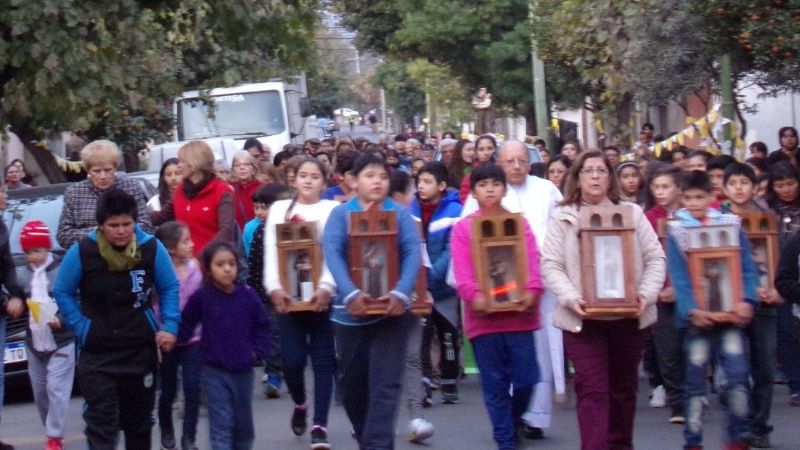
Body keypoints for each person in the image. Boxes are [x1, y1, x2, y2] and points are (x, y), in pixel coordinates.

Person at [541, 150, 665, 450]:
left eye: (601, 170)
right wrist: (571, 298)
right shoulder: (563, 216)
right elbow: (550, 264)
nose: (595, 176)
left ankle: (620, 444)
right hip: (583, 320)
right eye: (588, 171)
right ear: (578, 178)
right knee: (593, 390)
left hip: (629, 318)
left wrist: (645, 296)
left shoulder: (632, 214)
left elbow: (656, 258)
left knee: (623, 390)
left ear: (610, 178)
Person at [54, 188, 180, 450]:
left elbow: (169, 287)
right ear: (101, 226)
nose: (121, 231)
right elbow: (62, 291)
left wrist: (169, 326)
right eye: (113, 226)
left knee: (139, 426)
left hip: (139, 351)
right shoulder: (83, 251)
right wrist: (82, 328)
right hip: (98, 357)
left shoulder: (151, 248)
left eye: (127, 224)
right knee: (102, 427)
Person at [462, 140, 564, 440]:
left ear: (530, 162)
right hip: (489, 300)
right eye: (510, 161)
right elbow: (465, 256)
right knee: (496, 374)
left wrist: (536, 281)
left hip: (536, 292)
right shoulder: (473, 211)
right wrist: (475, 294)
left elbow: (557, 233)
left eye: (522, 160)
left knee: (536, 363)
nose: (517, 166)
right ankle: (506, 428)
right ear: (500, 163)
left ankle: (534, 417)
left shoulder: (547, 190)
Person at [322, 153, 421, 450]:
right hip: (350, 314)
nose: (377, 181)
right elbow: (333, 252)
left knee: (385, 385)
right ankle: (367, 438)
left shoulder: (400, 214)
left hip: (392, 314)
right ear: (354, 181)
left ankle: (378, 444)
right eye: (370, 175)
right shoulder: (341, 214)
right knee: (352, 388)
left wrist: (400, 294)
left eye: (382, 176)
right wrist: (351, 293)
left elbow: (412, 253)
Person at [451, 163, 542, 450]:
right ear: (474, 192)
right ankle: (505, 440)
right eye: (483, 184)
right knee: (495, 384)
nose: (489, 189)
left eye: (495, 183)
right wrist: (473, 294)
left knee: (528, 379)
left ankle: (513, 422)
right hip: (483, 320)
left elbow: (533, 261)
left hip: (520, 316)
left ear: (504, 189)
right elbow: (463, 270)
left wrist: (532, 290)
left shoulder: (520, 223)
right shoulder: (464, 228)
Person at [665, 170, 757, 450]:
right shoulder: (676, 229)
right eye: (689, 198)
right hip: (698, 320)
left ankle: (737, 436)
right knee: (694, 383)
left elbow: (747, 268)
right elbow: (679, 277)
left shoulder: (730, 223)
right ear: (682, 198)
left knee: (739, 377)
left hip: (730, 315)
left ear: (712, 197)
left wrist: (748, 300)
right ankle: (693, 440)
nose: (695, 203)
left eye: (700, 197)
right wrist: (691, 310)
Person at [264, 158, 339, 450]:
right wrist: (274, 288)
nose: (308, 181)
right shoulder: (280, 210)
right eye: (303, 176)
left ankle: (320, 425)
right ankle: (300, 402)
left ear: (324, 181)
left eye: (315, 176)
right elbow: (272, 251)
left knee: (323, 362)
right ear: (293, 179)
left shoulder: (332, 211)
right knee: (292, 362)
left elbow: (335, 252)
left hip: (320, 296)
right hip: (290, 295)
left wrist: (327, 288)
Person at [179, 242, 270, 450]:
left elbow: (262, 326)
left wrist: (257, 352)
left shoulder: (248, 296)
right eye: (220, 264)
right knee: (221, 422)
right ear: (209, 270)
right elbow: (186, 322)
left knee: (243, 425)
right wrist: (176, 342)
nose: (227, 269)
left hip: (243, 370)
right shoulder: (202, 297)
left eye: (231, 263)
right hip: (213, 370)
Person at [720, 163, 783, 448]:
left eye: (744, 182)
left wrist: (776, 289)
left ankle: (760, 426)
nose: (739, 188)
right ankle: (740, 424)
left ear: (754, 186)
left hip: (765, 304)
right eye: (733, 183)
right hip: (730, 303)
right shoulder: (717, 218)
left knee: (764, 368)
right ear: (724, 188)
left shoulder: (768, 218)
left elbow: (778, 259)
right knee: (734, 369)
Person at [410, 162, 463, 405]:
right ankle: (424, 383)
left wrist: (429, 280)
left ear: (442, 186)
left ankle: (449, 379)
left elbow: (451, 251)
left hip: (444, 289)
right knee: (420, 336)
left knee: (448, 336)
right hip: (417, 288)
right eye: (419, 181)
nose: (421, 186)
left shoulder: (454, 210)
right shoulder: (409, 208)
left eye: (428, 181)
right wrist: (418, 282)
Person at [17, 221, 70, 450]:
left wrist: (62, 319)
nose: (33, 257)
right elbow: (15, 295)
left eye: (37, 251)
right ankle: (50, 429)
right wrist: (16, 301)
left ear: (47, 248)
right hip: (34, 341)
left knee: (57, 388)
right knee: (40, 392)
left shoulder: (62, 270)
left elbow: (75, 300)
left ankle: (54, 436)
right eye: (28, 252)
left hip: (62, 340)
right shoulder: (22, 275)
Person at [153, 222, 203, 450]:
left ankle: (189, 437)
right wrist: (157, 336)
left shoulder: (196, 268)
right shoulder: (160, 273)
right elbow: (154, 309)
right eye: (185, 241)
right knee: (169, 391)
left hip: (194, 339)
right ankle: (166, 427)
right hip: (167, 339)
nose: (191, 244)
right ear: (171, 248)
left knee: (193, 389)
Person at [644, 165, 687, 424]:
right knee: (667, 350)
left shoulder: (689, 217)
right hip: (661, 294)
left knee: (691, 347)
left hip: (689, 293)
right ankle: (677, 401)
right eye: (656, 187)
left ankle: (693, 392)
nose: (660, 192)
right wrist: (657, 289)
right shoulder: (648, 218)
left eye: (665, 186)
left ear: (679, 189)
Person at [57, 140, 153, 249]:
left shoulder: (131, 188)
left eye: (108, 170)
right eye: (97, 171)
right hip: (90, 256)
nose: (103, 176)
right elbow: (63, 236)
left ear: (115, 168)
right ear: (88, 171)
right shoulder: (74, 193)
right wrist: (100, 232)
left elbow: (146, 227)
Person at [243, 184, 291, 399]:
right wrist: (254, 291)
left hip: (293, 290)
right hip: (266, 292)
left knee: (287, 335)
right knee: (273, 333)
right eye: (258, 208)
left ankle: (289, 370)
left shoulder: (290, 227)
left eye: (266, 207)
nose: (261, 213)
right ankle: (273, 375)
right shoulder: (259, 230)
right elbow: (254, 263)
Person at [154, 141, 235, 257]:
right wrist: (134, 213)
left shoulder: (222, 192)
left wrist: (202, 258)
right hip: (187, 266)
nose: (179, 165)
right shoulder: (180, 191)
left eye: (182, 161)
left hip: (212, 264)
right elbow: (161, 217)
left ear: (194, 165)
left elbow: (226, 231)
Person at [764, 162, 800, 407]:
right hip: (781, 274)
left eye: (790, 183)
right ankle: (796, 384)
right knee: (787, 332)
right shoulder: (766, 211)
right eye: (780, 185)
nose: (786, 189)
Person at [229, 151, 266, 230]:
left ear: (253, 169)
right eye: (237, 165)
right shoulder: (230, 190)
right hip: (240, 236)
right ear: (233, 171)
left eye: (246, 164)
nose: (242, 168)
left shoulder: (263, 188)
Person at [459, 135, 497, 203]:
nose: (486, 153)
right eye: (481, 149)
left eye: (490, 148)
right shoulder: (470, 177)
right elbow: (465, 202)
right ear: (476, 153)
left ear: (496, 150)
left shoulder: (505, 172)